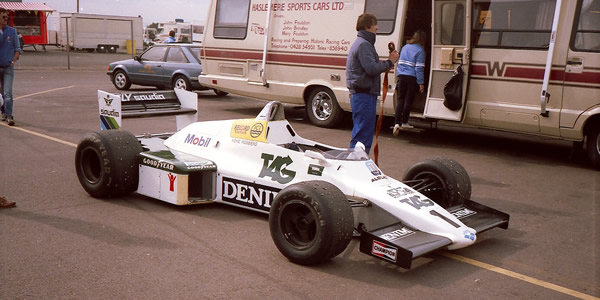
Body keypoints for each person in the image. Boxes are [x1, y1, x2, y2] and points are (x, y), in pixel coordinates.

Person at [346, 14, 399, 154]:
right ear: (367, 26)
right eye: (375, 24)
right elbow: (371, 69)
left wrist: (386, 64)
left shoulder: (362, 43)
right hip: (364, 95)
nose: (377, 27)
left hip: (362, 94)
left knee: (362, 132)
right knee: (363, 135)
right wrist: (390, 62)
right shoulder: (364, 44)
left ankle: (356, 163)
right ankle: (356, 165)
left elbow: (370, 67)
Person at [393, 30, 427, 135]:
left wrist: (398, 75)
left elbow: (400, 63)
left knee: (400, 99)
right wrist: (421, 83)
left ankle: (396, 123)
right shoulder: (421, 51)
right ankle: (404, 122)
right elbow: (419, 68)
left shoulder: (405, 47)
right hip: (412, 77)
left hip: (402, 76)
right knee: (408, 100)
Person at [0, 7, 21, 126]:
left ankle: (9, 115)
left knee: (8, 92)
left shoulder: (12, 32)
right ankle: (2, 112)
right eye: (3, 17)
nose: (5, 19)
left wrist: (13, 61)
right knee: (1, 93)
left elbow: (18, 49)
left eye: (7, 17)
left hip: (8, 66)